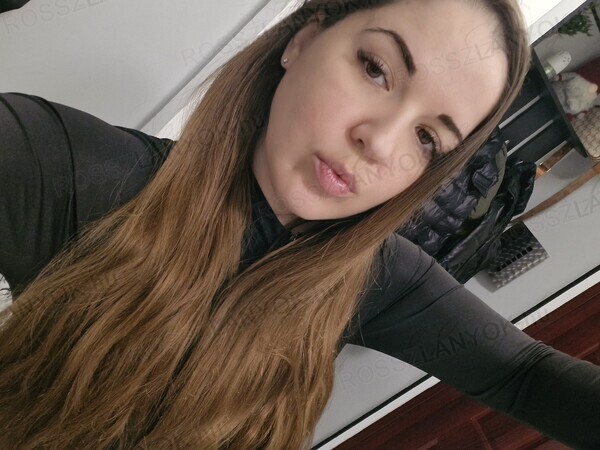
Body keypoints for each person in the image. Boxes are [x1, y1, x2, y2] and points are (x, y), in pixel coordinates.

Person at [0, 0, 598, 448]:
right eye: (376, 69)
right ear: (303, 41)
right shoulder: (73, 169)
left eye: (426, 137)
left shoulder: (380, 280)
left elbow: (524, 375)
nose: (380, 143)